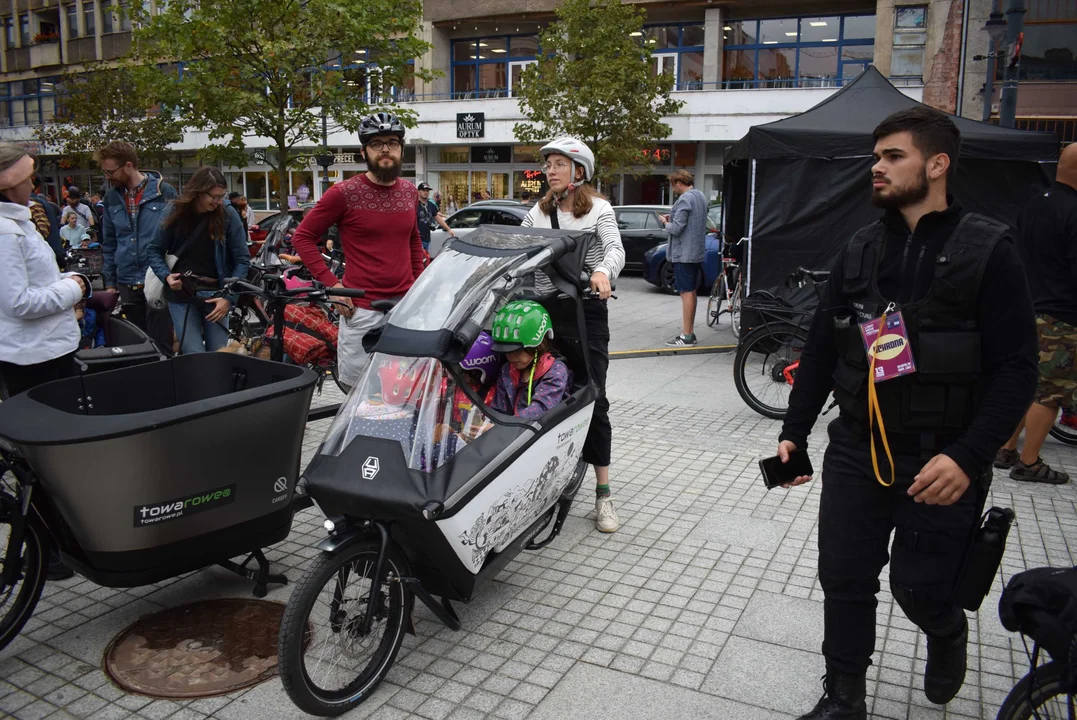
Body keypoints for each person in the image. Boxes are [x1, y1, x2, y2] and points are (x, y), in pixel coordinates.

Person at [775, 107, 1037, 719]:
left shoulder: (989, 249)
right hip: (857, 448)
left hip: (942, 458)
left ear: (937, 164)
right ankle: (843, 697)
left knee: (920, 589)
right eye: (876, 156)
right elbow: (819, 348)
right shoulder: (858, 250)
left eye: (894, 156)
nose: (878, 167)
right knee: (844, 579)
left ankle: (945, 632)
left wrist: (969, 457)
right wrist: (793, 433)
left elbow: (1019, 370)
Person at [521, 137, 625, 533]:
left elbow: (616, 250)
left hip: (587, 311)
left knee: (593, 397)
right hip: (545, 314)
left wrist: (602, 273)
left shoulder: (599, 209)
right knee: (540, 396)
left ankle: (604, 494)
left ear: (579, 171)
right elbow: (520, 248)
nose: (550, 170)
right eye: (548, 164)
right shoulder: (538, 212)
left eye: (559, 164)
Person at [291, 112, 424, 387]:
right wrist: (334, 288)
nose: (385, 149)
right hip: (361, 311)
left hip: (403, 309)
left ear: (401, 149)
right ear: (364, 151)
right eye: (377, 143)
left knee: (404, 391)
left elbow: (412, 240)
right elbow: (303, 238)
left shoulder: (409, 191)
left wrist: (418, 286)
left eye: (392, 142)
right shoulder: (343, 193)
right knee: (357, 394)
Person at [995, 143, 1077, 485]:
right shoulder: (1074, 210)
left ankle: (1007, 448)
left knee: (1029, 385)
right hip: (1062, 314)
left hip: (1028, 307)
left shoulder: (1035, 205)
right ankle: (1029, 462)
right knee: (1051, 392)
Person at [0, 144, 90, 399]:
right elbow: (18, 302)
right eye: (28, 179)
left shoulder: (18, 223)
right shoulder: (5, 232)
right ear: (10, 183)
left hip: (46, 350)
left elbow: (40, 278)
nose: (33, 186)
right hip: (34, 358)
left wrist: (74, 280)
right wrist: (73, 288)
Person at [146, 168, 249, 354]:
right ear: (199, 192)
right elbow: (154, 250)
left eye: (221, 196)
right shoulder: (174, 211)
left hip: (216, 296)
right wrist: (167, 277)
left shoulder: (227, 214)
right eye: (214, 196)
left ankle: (217, 384)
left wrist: (229, 298)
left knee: (219, 355)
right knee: (193, 354)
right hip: (182, 295)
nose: (218, 201)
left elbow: (242, 260)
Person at [98, 141, 178, 354]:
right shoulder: (111, 198)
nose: (108, 177)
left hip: (157, 279)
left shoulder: (164, 192)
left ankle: (165, 383)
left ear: (128, 165)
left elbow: (180, 236)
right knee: (133, 346)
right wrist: (110, 283)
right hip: (126, 280)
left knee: (162, 344)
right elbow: (109, 243)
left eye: (110, 171)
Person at [489, 300, 571, 419]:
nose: (510, 357)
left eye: (517, 350)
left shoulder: (556, 371)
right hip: (510, 431)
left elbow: (540, 408)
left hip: (540, 429)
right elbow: (499, 408)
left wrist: (506, 426)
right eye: (506, 351)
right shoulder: (507, 370)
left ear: (537, 344)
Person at [659, 170, 708, 347]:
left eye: (673, 185)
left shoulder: (685, 199)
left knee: (685, 292)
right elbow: (691, 220)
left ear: (679, 182)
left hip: (684, 254)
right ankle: (689, 332)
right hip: (695, 251)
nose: (673, 189)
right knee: (691, 291)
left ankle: (687, 335)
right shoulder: (700, 196)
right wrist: (673, 218)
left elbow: (676, 229)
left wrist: (665, 222)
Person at [30, 174, 63, 267]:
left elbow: (42, 232)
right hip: (49, 254)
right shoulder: (39, 202)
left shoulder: (32, 203)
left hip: (42, 259)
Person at [416, 181, 454, 252]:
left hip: (427, 238)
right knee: (420, 260)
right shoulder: (415, 205)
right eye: (424, 190)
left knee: (426, 260)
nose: (426, 192)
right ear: (418, 192)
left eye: (427, 191)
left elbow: (438, 218)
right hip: (417, 239)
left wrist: (448, 229)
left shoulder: (430, 205)